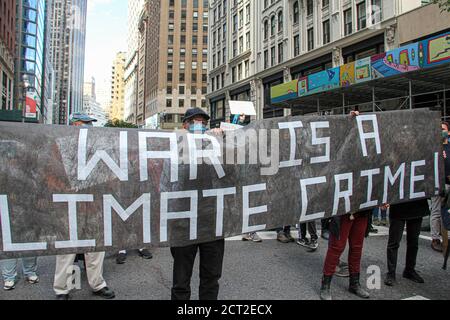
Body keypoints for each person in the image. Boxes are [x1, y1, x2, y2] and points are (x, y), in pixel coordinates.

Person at [53, 113, 115, 300]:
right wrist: (66, 191)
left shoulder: (96, 147)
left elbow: (108, 172)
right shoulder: (59, 145)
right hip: (70, 205)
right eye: (85, 124)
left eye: (89, 124)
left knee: (96, 246)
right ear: (74, 125)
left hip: (94, 205)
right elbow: (50, 174)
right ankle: (61, 288)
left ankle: (97, 283)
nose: (88, 127)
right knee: (67, 248)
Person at [170, 108, 225, 300]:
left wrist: (222, 139)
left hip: (211, 219)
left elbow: (233, 170)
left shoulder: (217, 146)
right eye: (194, 121)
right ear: (185, 125)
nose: (198, 125)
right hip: (183, 221)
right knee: (181, 280)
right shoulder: (173, 147)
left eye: (203, 122)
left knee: (211, 277)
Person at [384, 199, 430, 286]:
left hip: (416, 206)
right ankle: (391, 273)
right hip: (399, 205)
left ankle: (409, 270)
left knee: (413, 241)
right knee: (394, 242)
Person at [235, 113, 263, 243]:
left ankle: (249, 231)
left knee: (250, 205)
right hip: (244, 180)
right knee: (248, 205)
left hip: (251, 179)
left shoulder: (254, 147)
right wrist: (238, 120)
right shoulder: (240, 146)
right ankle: (249, 231)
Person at [429, 122, 450, 252]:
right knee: (436, 211)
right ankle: (435, 238)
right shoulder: (432, 147)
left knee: (447, 212)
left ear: (448, 132)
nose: (440, 131)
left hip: (449, 184)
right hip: (437, 183)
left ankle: (446, 237)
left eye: (443, 129)